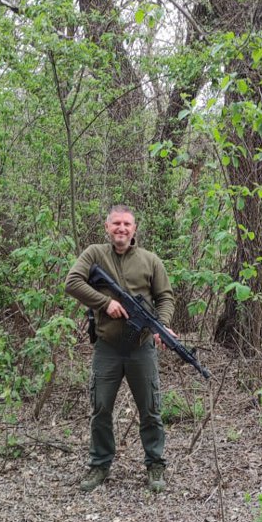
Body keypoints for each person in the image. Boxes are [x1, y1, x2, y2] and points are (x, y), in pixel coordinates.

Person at [65, 205, 176, 493]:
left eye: (127, 224)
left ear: (135, 229)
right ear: (107, 227)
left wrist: (161, 326)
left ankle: (155, 465)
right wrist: (105, 303)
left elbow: (165, 297)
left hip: (141, 348)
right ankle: (100, 465)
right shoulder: (93, 254)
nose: (122, 229)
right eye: (116, 224)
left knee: (150, 409)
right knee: (100, 407)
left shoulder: (150, 261)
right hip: (108, 347)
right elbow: (72, 282)